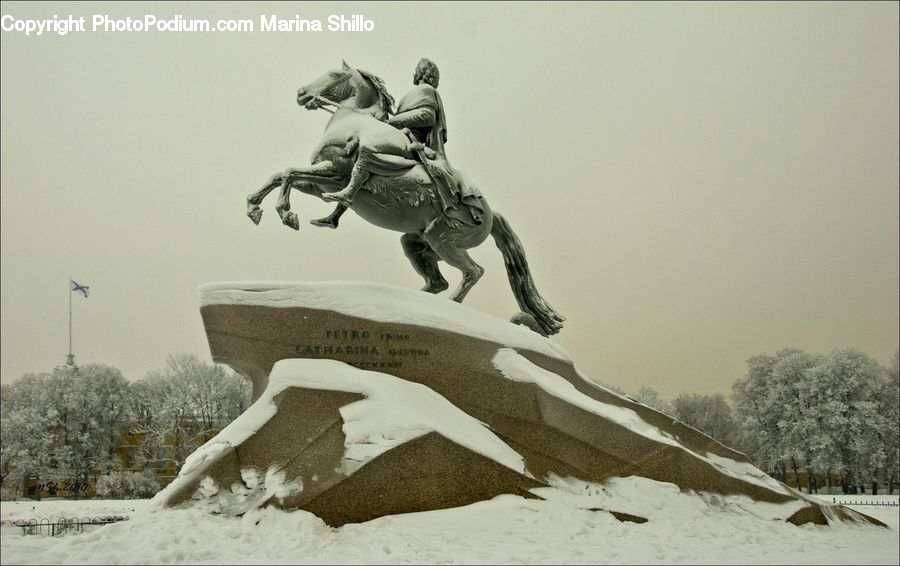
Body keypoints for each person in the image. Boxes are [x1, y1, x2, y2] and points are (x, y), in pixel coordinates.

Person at [312, 58, 482, 229]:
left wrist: (392, 124)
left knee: (367, 149)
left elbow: (426, 116)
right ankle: (336, 214)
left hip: (411, 141)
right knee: (353, 158)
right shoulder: (412, 94)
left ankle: (347, 195)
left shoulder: (426, 89)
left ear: (422, 72)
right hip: (401, 136)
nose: (413, 74)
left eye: (416, 70)